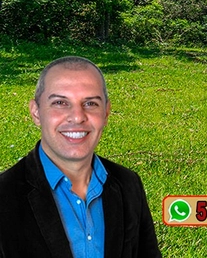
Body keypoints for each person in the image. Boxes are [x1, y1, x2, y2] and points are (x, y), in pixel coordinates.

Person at [0, 56, 161, 258]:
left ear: (106, 112)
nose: (77, 117)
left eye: (90, 103)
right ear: (36, 112)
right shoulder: (4, 196)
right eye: (60, 102)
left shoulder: (129, 184)